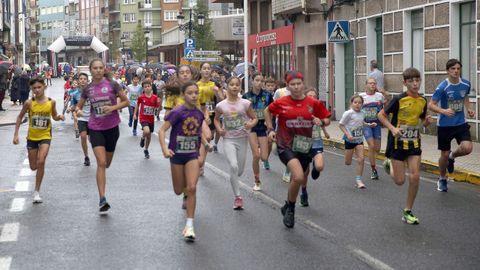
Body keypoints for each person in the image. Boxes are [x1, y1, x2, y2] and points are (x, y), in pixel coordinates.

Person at [264, 71, 331, 228]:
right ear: (287, 86)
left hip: (305, 146)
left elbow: (327, 119)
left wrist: (321, 121)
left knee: (299, 178)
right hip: (285, 145)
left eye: (298, 84)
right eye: (292, 84)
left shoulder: (312, 103)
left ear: (303, 84)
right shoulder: (282, 102)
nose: (295, 87)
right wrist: (270, 129)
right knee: (299, 177)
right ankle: (291, 210)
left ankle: (287, 205)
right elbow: (268, 111)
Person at [378, 67, 433, 225]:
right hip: (397, 143)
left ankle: (407, 210)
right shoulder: (398, 99)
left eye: (417, 80)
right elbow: (381, 115)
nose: (415, 84)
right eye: (411, 81)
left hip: (414, 142)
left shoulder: (423, 100)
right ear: (405, 83)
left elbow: (420, 121)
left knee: (415, 177)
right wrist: (393, 128)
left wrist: (426, 123)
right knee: (400, 181)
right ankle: (390, 164)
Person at [76, 59, 129, 214]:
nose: (98, 70)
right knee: (101, 162)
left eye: (100, 68)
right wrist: (78, 112)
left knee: (107, 164)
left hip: (112, 128)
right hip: (95, 128)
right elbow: (78, 107)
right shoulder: (88, 88)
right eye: (95, 68)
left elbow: (126, 102)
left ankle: (102, 195)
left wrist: (112, 107)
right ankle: (102, 198)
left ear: (104, 69)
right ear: (91, 70)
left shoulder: (113, 85)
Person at [159, 81, 208, 242]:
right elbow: (162, 130)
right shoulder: (178, 112)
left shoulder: (199, 113)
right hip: (177, 155)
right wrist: (165, 150)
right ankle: (184, 194)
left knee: (192, 187)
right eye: (190, 93)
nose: (194, 96)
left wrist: (206, 144)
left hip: (192, 154)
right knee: (179, 190)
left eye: (196, 93)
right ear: (183, 95)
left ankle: (190, 225)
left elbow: (199, 129)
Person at [12, 76, 65, 203]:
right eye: (34, 88)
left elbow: (54, 116)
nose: (37, 90)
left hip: (45, 136)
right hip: (32, 138)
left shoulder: (51, 102)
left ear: (44, 87)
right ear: (31, 89)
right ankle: (35, 167)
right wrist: (16, 134)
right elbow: (19, 117)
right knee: (33, 166)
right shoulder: (29, 103)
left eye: (39, 87)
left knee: (41, 161)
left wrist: (60, 117)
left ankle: (36, 191)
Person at [428, 59, 475, 192]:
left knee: (467, 148)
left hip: (460, 123)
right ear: (447, 70)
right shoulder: (442, 87)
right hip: (445, 125)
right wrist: (443, 111)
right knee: (443, 154)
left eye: (458, 69)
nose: (455, 71)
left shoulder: (465, 84)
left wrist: (469, 108)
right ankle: (442, 178)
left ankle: (452, 156)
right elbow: (431, 104)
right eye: (453, 69)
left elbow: (465, 97)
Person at [215, 77, 257, 209]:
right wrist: (219, 129)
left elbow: (254, 118)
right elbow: (216, 119)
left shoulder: (245, 103)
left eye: (236, 85)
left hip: (242, 138)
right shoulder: (221, 105)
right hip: (228, 139)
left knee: (239, 171)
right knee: (233, 166)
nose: (234, 87)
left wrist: (250, 124)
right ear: (227, 87)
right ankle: (238, 197)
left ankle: (235, 177)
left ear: (240, 87)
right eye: (231, 84)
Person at [242, 72, 273, 190]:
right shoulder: (246, 96)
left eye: (261, 81)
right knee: (256, 155)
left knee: (264, 157)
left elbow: (272, 109)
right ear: (252, 81)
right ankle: (257, 180)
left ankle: (261, 147)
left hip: (263, 127)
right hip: (252, 127)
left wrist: (269, 121)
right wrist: (245, 122)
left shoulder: (267, 95)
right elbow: (242, 112)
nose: (259, 83)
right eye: (257, 80)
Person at [339, 95, 377, 189]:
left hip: (359, 139)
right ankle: (349, 158)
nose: (357, 104)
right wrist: (348, 134)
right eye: (355, 102)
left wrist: (369, 125)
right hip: (350, 140)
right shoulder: (348, 113)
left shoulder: (362, 113)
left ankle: (359, 180)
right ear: (351, 103)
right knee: (348, 162)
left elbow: (362, 122)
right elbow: (341, 125)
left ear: (362, 104)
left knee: (361, 159)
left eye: (360, 103)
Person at [302, 88, 330, 206]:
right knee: (304, 172)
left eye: (314, 96)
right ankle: (304, 193)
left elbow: (327, 120)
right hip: (303, 142)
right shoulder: (300, 108)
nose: (312, 98)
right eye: (310, 96)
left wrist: (322, 122)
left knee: (319, 166)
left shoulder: (319, 108)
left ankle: (315, 167)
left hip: (317, 143)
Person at [359, 78, 385, 180]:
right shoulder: (361, 96)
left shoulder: (379, 96)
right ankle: (373, 169)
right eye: (370, 83)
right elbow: (356, 108)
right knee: (371, 145)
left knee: (377, 149)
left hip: (377, 124)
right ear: (366, 85)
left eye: (374, 83)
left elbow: (384, 108)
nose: (372, 85)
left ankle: (372, 160)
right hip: (366, 124)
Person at [198, 62, 225, 157]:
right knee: (207, 136)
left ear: (211, 71)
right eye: (204, 68)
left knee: (211, 136)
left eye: (208, 68)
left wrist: (217, 92)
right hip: (200, 111)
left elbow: (222, 98)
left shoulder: (214, 83)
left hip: (213, 111)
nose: (206, 70)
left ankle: (209, 146)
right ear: (200, 70)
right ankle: (201, 157)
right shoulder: (196, 84)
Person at [134, 79, 160, 159]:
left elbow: (157, 107)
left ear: (151, 87)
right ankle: (142, 138)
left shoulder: (155, 97)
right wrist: (135, 114)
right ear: (143, 88)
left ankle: (146, 149)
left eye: (148, 86)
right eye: (145, 87)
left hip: (151, 119)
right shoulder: (141, 97)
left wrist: (158, 107)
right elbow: (137, 106)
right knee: (146, 131)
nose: (147, 88)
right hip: (143, 118)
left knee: (148, 136)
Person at [76, 73, 91, 166]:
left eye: (84, 79)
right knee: (83, 136)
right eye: (81, 78)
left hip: (92, 118)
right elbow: (74, 104)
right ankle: (86, 156)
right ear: (78, 81)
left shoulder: (92, 91)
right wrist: (74, 110)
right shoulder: (75, 92)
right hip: (82, 119)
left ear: (87, 81)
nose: (82, 80)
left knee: (92, 140)